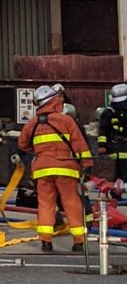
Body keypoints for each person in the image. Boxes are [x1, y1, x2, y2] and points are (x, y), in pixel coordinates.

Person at [17, 83, 90, 254]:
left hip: (42, 170)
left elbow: (22, 144)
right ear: (54, 101)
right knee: (71, 202)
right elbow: (80, 145)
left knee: (45, 204)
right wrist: (87, 165)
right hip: (66, 169)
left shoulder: (32, 123)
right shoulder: (66, 120)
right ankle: (78, 241)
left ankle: (45, 241)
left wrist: (39, 152)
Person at [96, 82, 127, 192]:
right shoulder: (108, 113)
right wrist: (102, 145)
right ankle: (115, 192)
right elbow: (103, 130)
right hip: (113, 148)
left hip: (124, 147)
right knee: (115, 173)